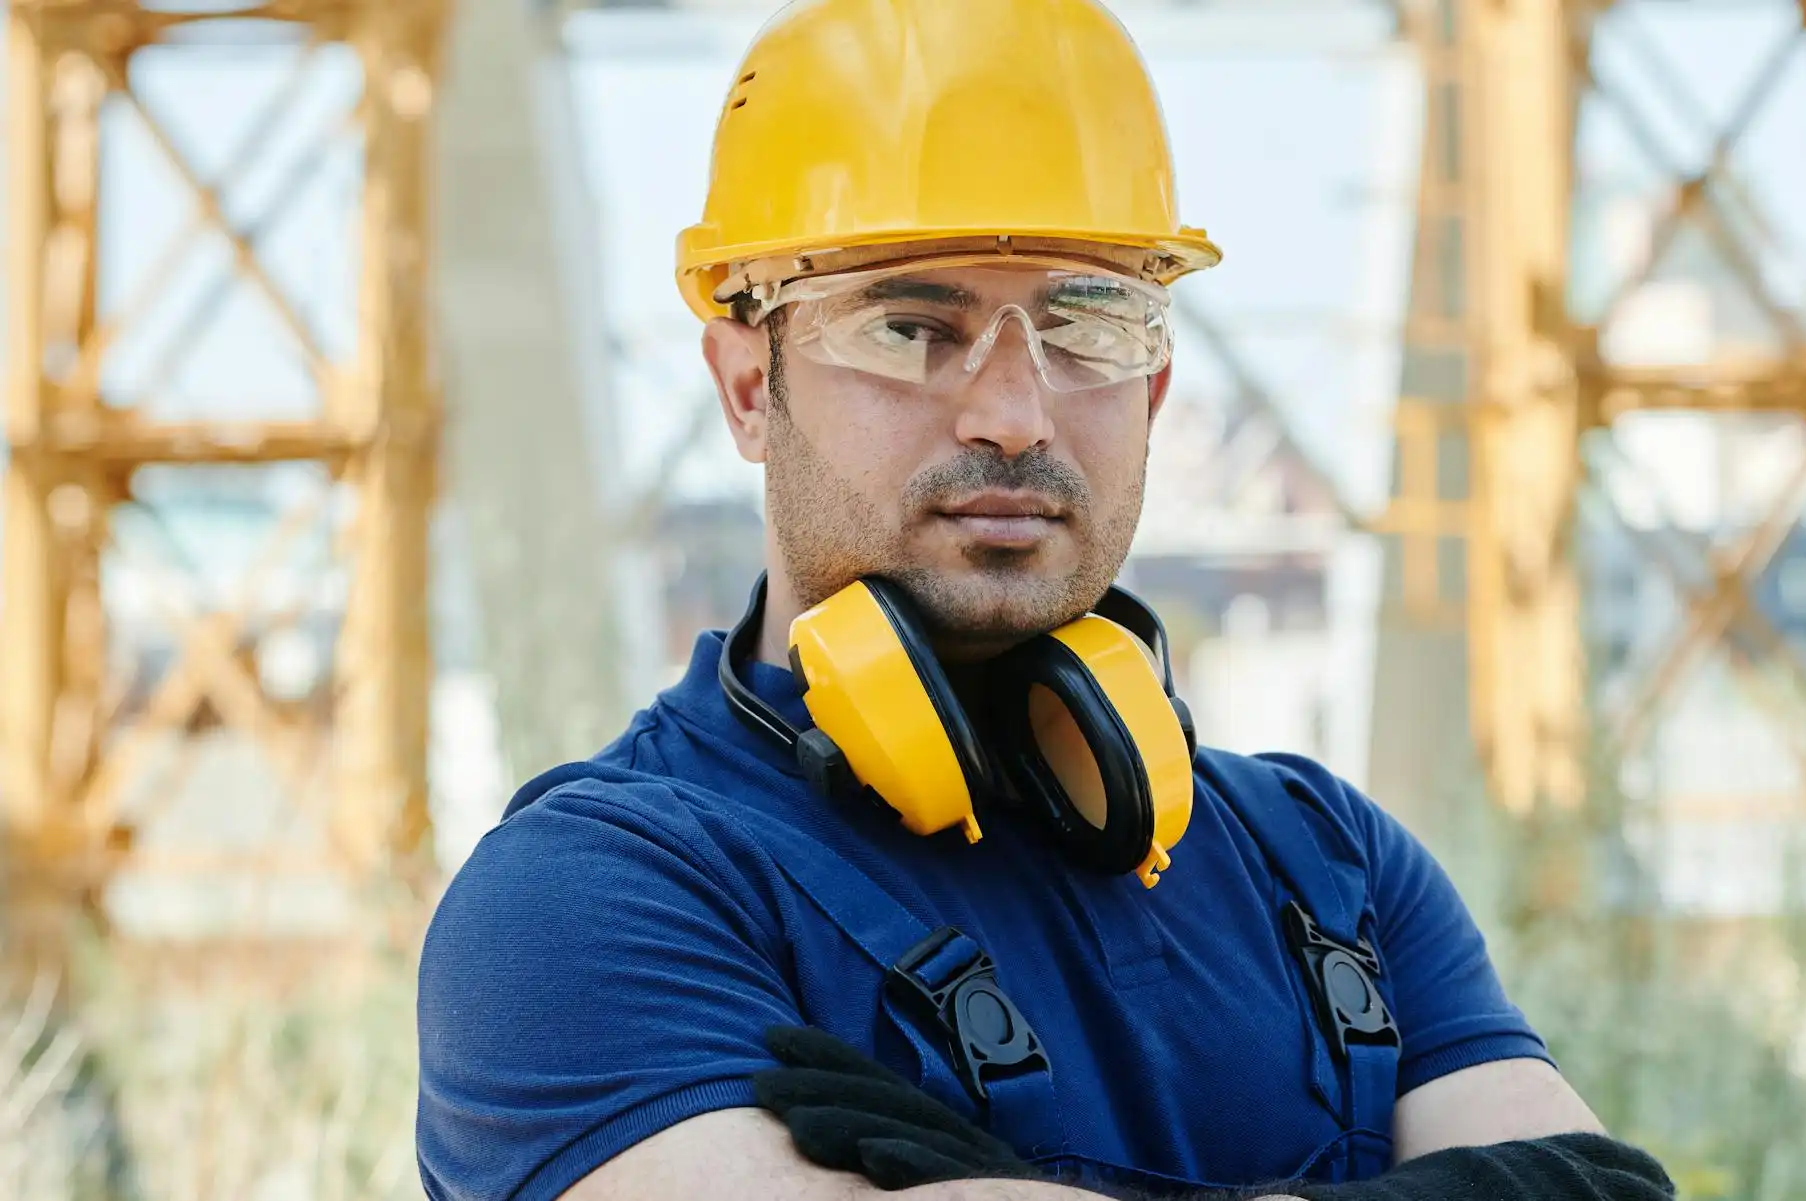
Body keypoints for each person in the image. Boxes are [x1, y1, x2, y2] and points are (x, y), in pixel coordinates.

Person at [414, 3, 1674, 1200]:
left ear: (1159, 388)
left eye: (1087, 327)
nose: (1014, 414)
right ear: (750, 384)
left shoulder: (1329, 862)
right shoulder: (588, 899)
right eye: (909, 327)